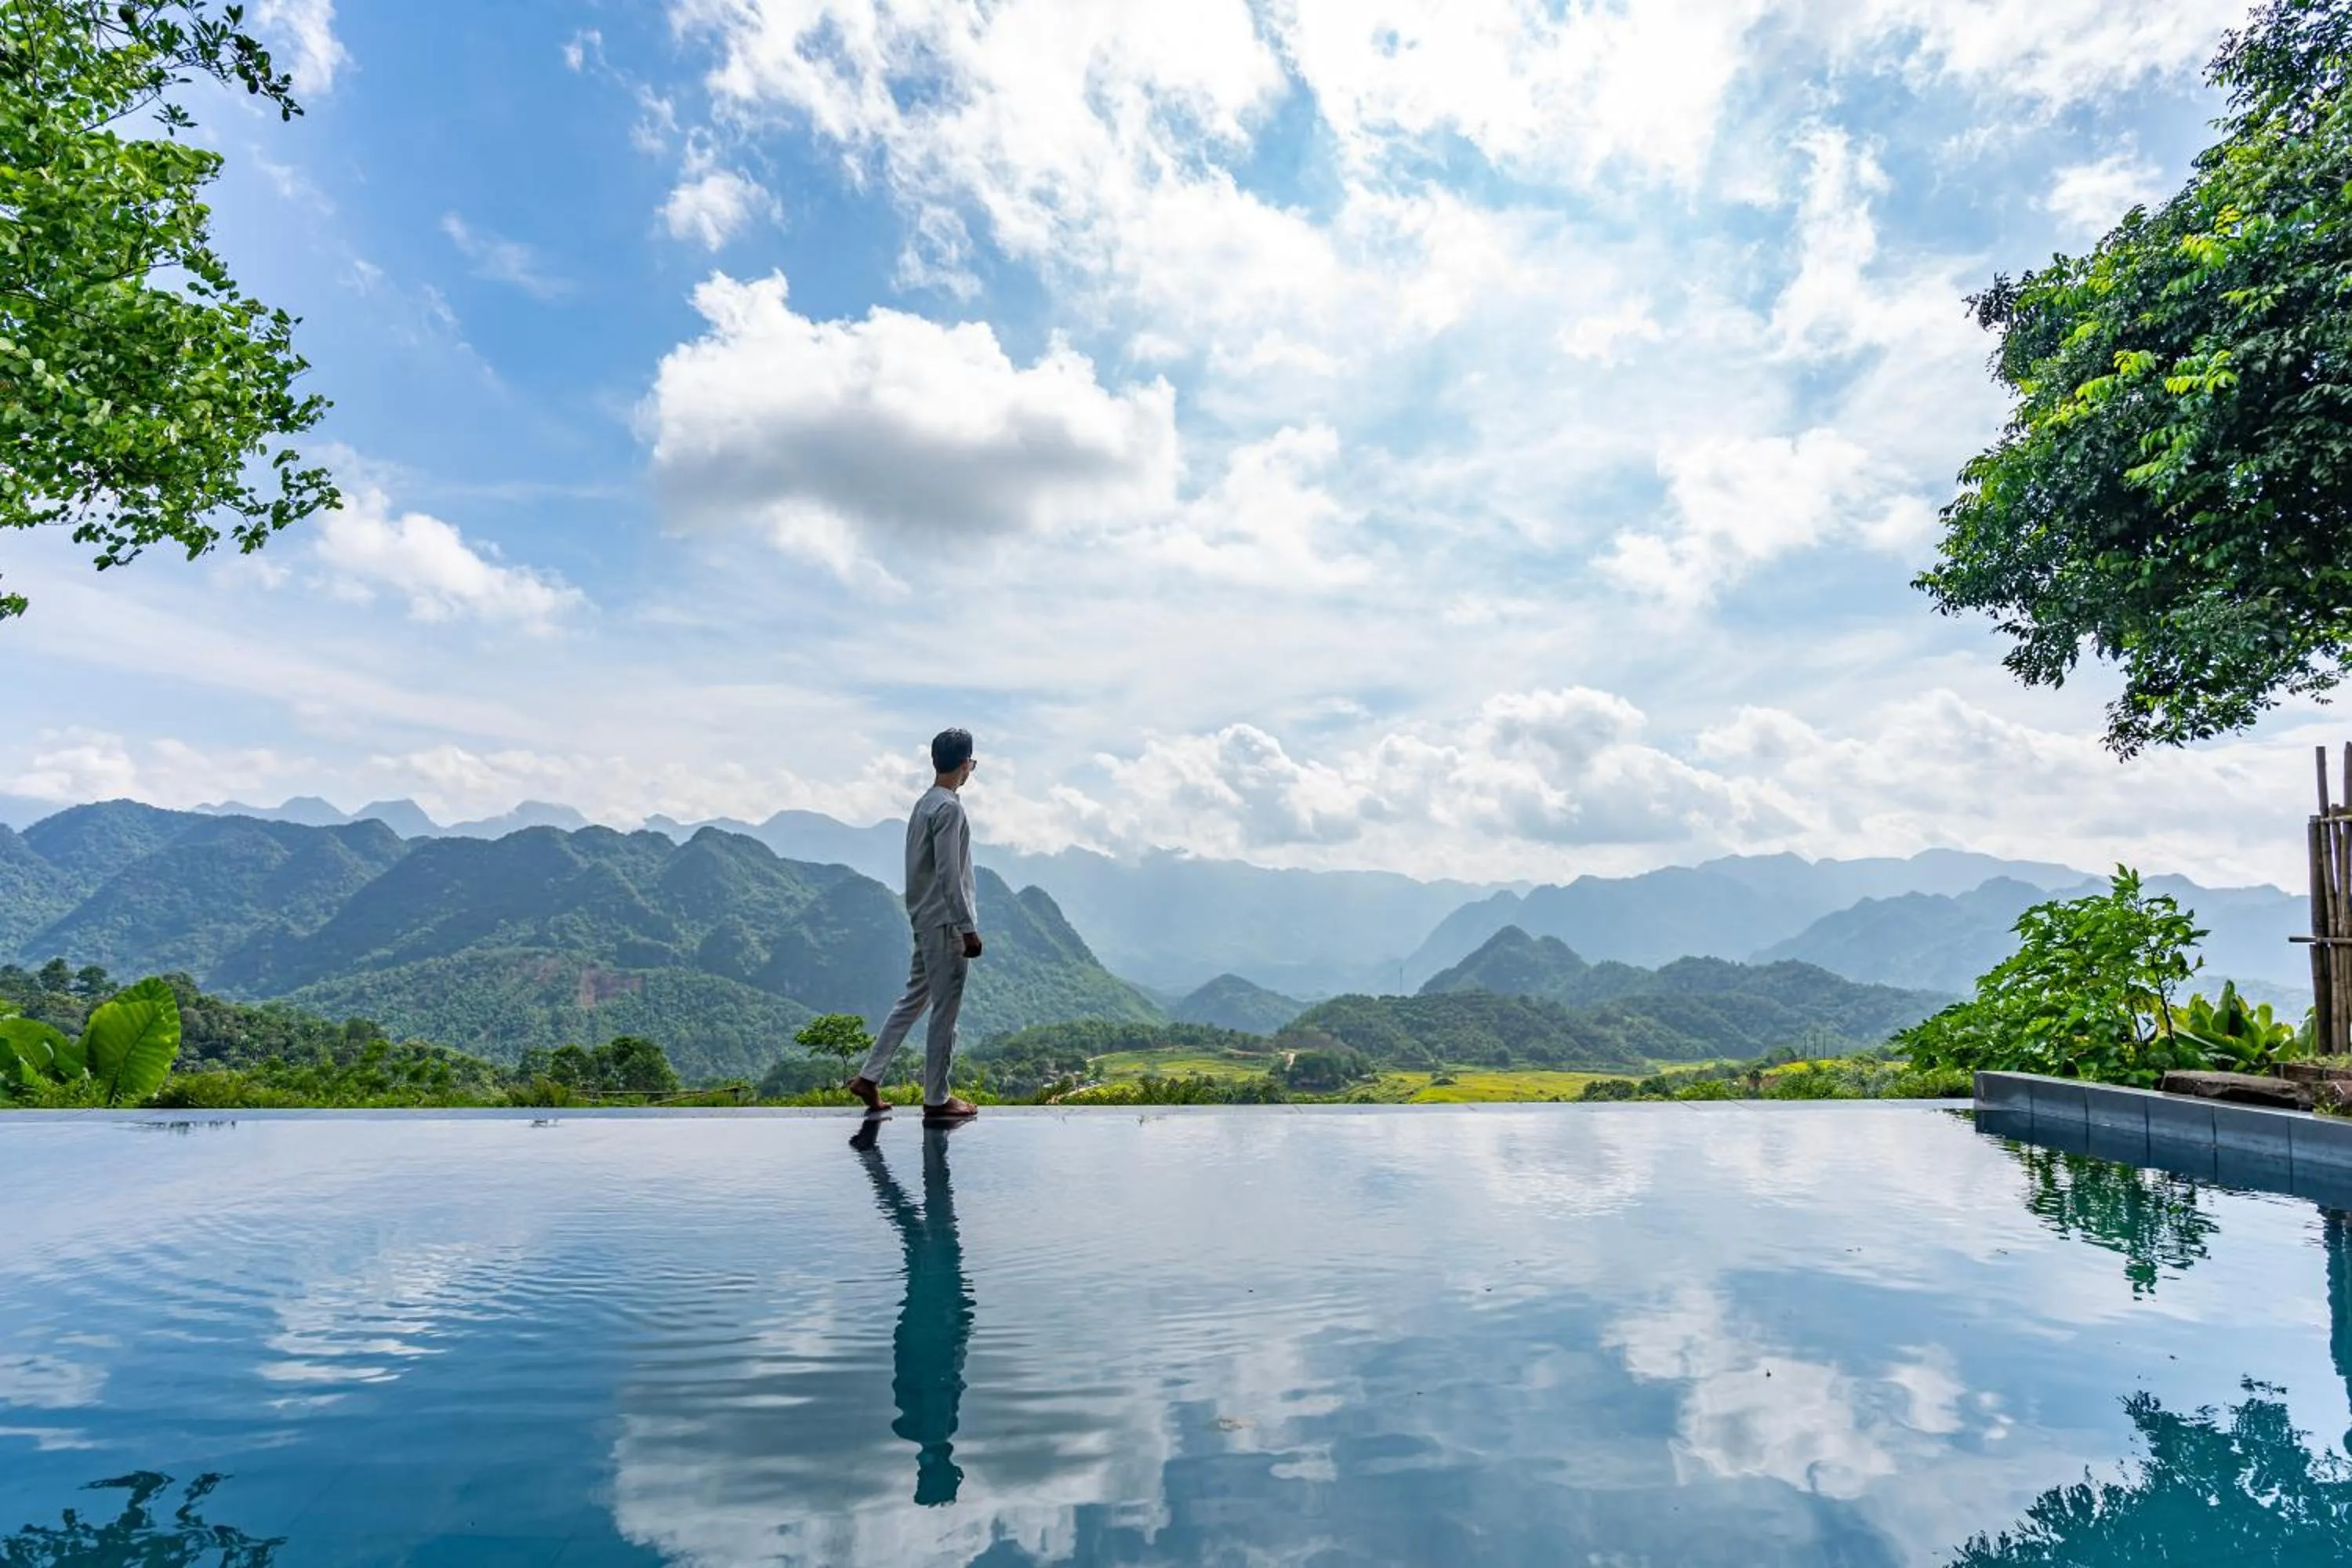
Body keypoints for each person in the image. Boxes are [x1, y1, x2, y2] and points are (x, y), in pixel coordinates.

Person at [848, 728, 984, 1123]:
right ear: (965, 766)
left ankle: (869, 1076)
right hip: (946, 925)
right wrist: (967, 927)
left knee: (913, 1000)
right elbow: (949, 873)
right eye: (971, 764)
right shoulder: (950, 809)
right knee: (946, 1012)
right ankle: (937, 1098)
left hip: (925, 918)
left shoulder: (924, 804)